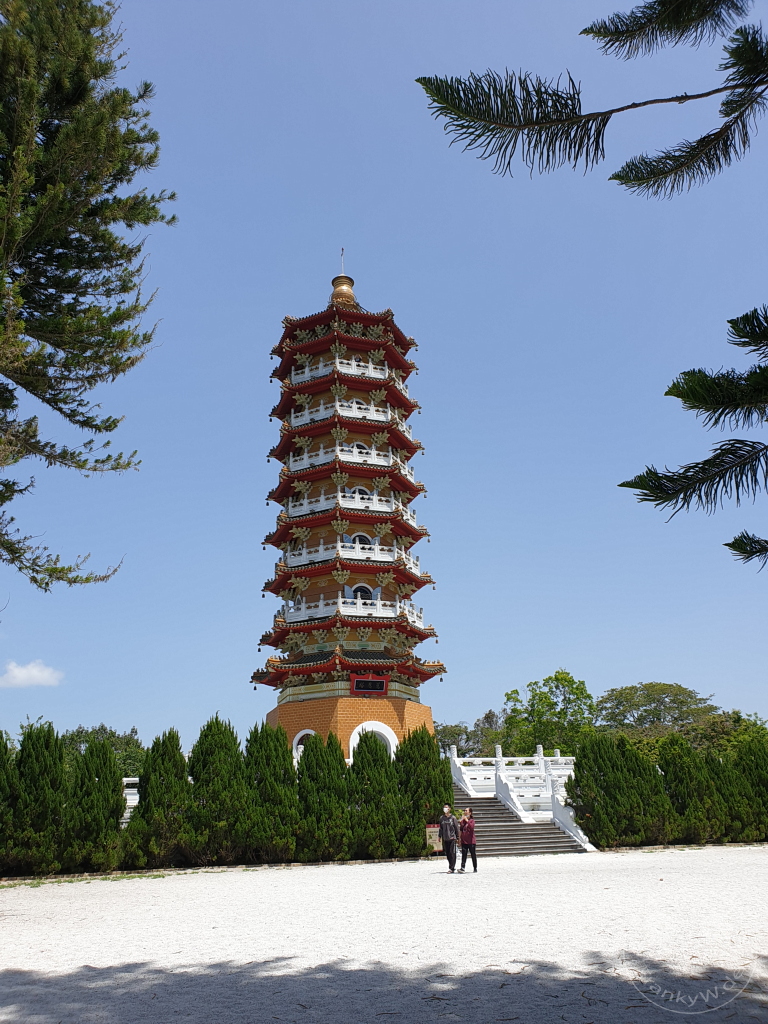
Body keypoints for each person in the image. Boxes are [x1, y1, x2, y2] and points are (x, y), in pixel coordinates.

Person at [437, 803, 460, 873]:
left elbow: (456, 828)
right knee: (447, 853)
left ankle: (452, 868)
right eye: (444, 807)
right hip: (445, 838)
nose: (445, 809)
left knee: (452, 853)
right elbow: (440, 828)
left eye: (446, 807)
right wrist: (439, 836)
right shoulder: (442, 818)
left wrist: (458, 838)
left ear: (449, 809)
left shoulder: (453, 818)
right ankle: (450, 865)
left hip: (452, 838)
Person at [459, 807, 477, 873]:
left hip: (471, 841)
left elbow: (471, 827)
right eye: (465, 810)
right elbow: (461, 829)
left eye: (466, 811)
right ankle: (462, 867)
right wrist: (459, 839)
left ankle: (475, 867)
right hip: (464, 840)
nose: (465, 811)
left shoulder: (472, 820)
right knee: (464, 854)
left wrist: (467, 820)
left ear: (470, 812)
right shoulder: (463, 821)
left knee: (473, 854)